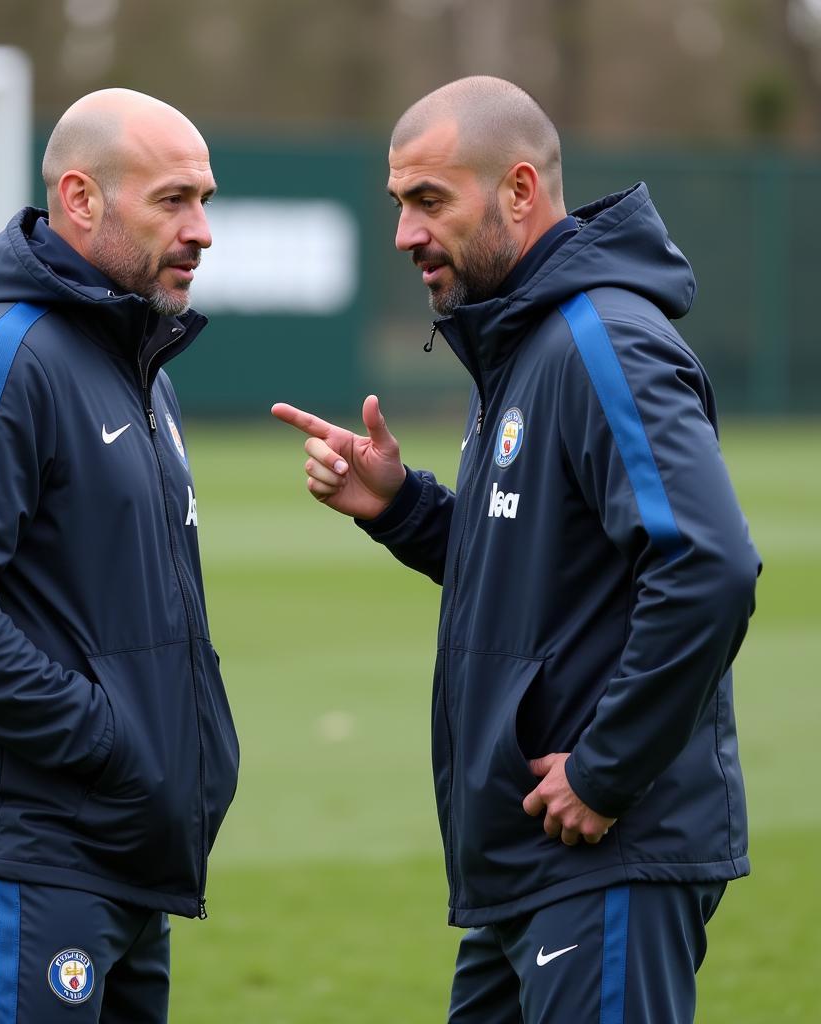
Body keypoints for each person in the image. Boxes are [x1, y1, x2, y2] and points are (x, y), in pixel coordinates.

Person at [272, 76, 759, 1023]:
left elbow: (709, 566)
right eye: (399, 204)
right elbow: (539, 570)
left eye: (429, 200)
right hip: (525, 865)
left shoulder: (599, 341)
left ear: (521, 190)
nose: (407, 233)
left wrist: (606, 769)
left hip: (605, 855)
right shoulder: (523, 343)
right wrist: (402, 508)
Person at [0, 89, 239, 1024]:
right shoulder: (0, 360)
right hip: (18, 850)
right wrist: (108, 744)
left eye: (205, 198)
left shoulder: (132, 368)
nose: (201, 229)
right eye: (172, 200)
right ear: (81, 199)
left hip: (117, 852)